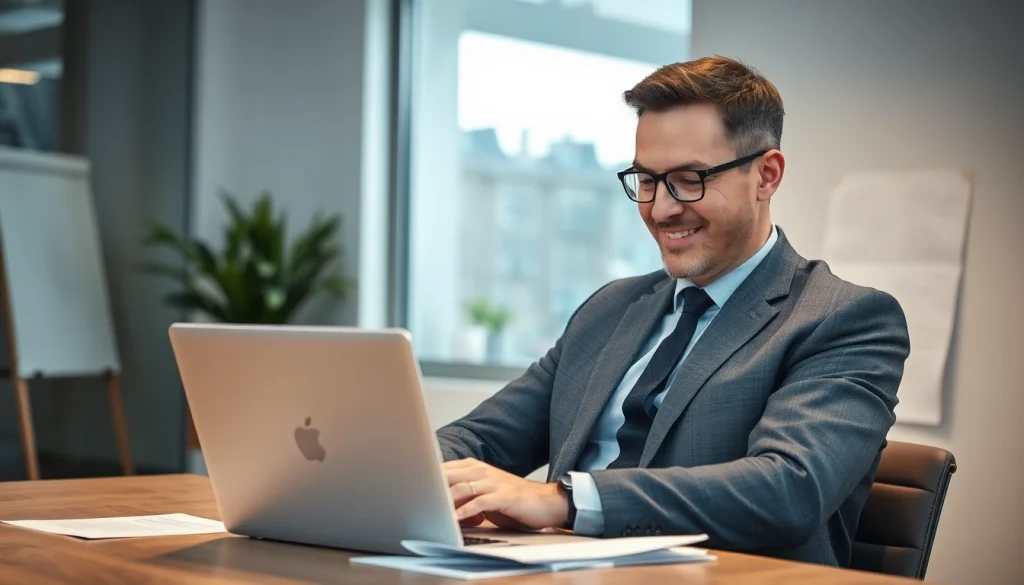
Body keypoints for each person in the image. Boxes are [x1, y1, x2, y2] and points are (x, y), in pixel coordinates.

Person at [436, 55, 909, 567]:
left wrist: (562, 501)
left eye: (688, 179)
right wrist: (404, 475)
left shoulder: (845, 319)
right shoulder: (609, 309)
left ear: (766, 176)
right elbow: (479, 438)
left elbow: (788, 489)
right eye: (646, 180)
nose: (661, 209)